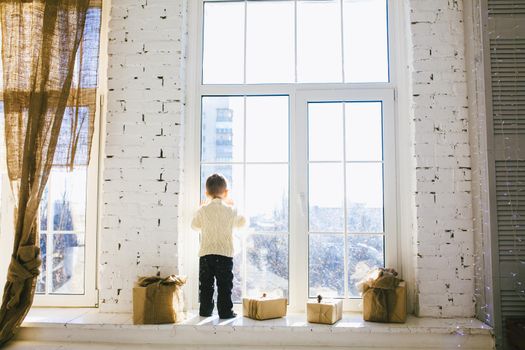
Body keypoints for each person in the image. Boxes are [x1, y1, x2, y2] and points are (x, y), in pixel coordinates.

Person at [191, 173, 246, 319]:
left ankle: (205, 311)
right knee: (225, 285)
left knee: (206, 285)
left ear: (207, 193)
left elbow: (194, 226)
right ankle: (225, 312)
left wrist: (200, 209)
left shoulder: (203, 210)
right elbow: (242, 223)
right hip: (224, 255)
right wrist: (235, 207)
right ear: (226, 192)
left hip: (206, 254)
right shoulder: (231, 210)